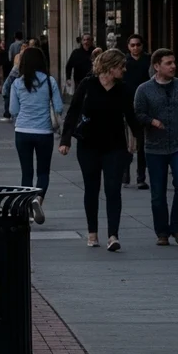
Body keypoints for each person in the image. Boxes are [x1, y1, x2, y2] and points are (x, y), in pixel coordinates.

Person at [60, 48, 138, 251]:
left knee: (113, 189)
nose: (124, 70)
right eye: (121, 66)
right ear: (111, 67)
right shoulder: (88, 85)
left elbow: (131, 117)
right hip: (89, 145)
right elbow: (74, 111)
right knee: (91, 189)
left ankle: (113, 235)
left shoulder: (123, 89)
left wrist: (139, 139)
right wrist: (65, 139)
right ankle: (92, 232)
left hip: (115, 146)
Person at [134, 48, 178, 246]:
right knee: (158, 192)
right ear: (156, 66)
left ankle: (177, 228)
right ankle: (162, 232)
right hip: (155, 147)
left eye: (174, 62)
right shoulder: (144, 89)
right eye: (168, 63)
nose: (173, 66)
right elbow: (137, 113)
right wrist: (152, 121)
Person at [10, 47, 61, 223]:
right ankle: (38, 199)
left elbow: (12, 110)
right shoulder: (49, 82)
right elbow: (59, 107)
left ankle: (26, 205)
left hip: (22, 131)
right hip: (44, 132)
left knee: (26, 172)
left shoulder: (17, 83)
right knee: (43, 171)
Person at [123, 34, 153, 188]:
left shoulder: (148, 60)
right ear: (128, 46)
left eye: (138, 44)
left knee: (142, 144)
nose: (135, 47)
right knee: (126, 143)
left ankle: (141, 177)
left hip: (143, 106)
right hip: (126, 105)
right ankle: (125, 172)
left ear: (142, 45)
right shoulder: (124, 61)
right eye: (132, 45)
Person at [1, 51, 22, 121]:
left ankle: (7, 114)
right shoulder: (48, 80)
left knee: (8, 92)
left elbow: (13, 110)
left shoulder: (16, 80)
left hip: (21, 125)